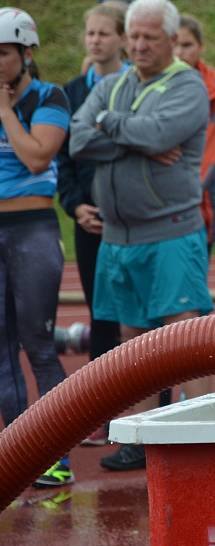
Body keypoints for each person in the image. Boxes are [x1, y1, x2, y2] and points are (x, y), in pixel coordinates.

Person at [70, 0, 213, 471]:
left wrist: (109, 126)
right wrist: (136, 138)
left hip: (170, 231)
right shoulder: (113, 83)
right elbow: (77, 140)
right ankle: (145, 438)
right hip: (118, 237)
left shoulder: (187, 85)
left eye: (150, 37)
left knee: (183, 336)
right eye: (134, 37)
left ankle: (207, 436)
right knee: (134, 343)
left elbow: (156, 134)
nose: (139, 45)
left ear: (171, 39)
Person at [0, 8, 73, 486]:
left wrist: (4, 111)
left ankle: (56, 454)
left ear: (26, 53)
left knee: (38, 343)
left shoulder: (50, 96)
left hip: (33, 228)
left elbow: (36, 155)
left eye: (2, 53)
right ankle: (16, 450)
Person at [57, 2, 128, 446]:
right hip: (90, 224)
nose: (96, 41)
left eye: (104, 33)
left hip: (132, 222)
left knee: (144, 320)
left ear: (121, 38)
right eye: (91, 34)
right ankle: (104, 412)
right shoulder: (70, 92)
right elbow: (64, 160)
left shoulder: (136, 86)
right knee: (102, 317)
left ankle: (157, 407)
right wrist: (76, 206)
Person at [174, 14, 215, 254]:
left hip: (200, 200)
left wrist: (189, 191)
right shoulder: (145, 83)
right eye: (173, 44)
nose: (179, 52)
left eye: (187, 45)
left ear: (201, 47)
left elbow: (212, 151)